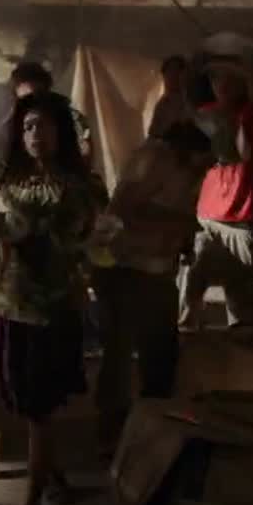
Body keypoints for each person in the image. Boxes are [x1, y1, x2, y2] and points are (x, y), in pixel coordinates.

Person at [0, 91, 96, 505]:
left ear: (61, 131)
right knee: (22, 403)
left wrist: (14, 226)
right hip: (9, 301)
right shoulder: (6, 177)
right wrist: (0, 225)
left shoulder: (77, 185)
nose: (35, 134)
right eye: (27, 127)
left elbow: (71, 230)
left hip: (53, 306)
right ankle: (53, 475)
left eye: (43, 125)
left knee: (40, 409)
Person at [90, 121, 219, 453]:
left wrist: (183, 240)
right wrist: (178, 223)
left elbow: (178, 210)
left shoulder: (192, 168)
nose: (208, 168)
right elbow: (122, 210)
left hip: (158, 272)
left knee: (161, 356)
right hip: (125, 269)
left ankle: (152, 429)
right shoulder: (155, 158)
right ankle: (113, 432)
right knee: (119, 354)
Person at [180, 62, 253, 328]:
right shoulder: (204, 115)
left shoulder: (251, 113)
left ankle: (241, 341)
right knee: (192, 284)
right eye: (216, 78)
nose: (222, 84)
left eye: (229, 78)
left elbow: (246, 144)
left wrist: (245, 74)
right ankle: (187, 335)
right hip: (208, 213)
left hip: (242, 214)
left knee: (241, 296)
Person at [0, 62, 91, 208]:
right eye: (26, 100)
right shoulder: (8, 126)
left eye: (37, 97)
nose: (32, 104)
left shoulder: (67, 118)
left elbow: (85, 151)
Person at [148, 55, 191, 139]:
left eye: (177, 71)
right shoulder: (162, 104)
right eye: (169, 72)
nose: (173, 76)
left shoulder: (192, 99)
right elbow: (153, 134)